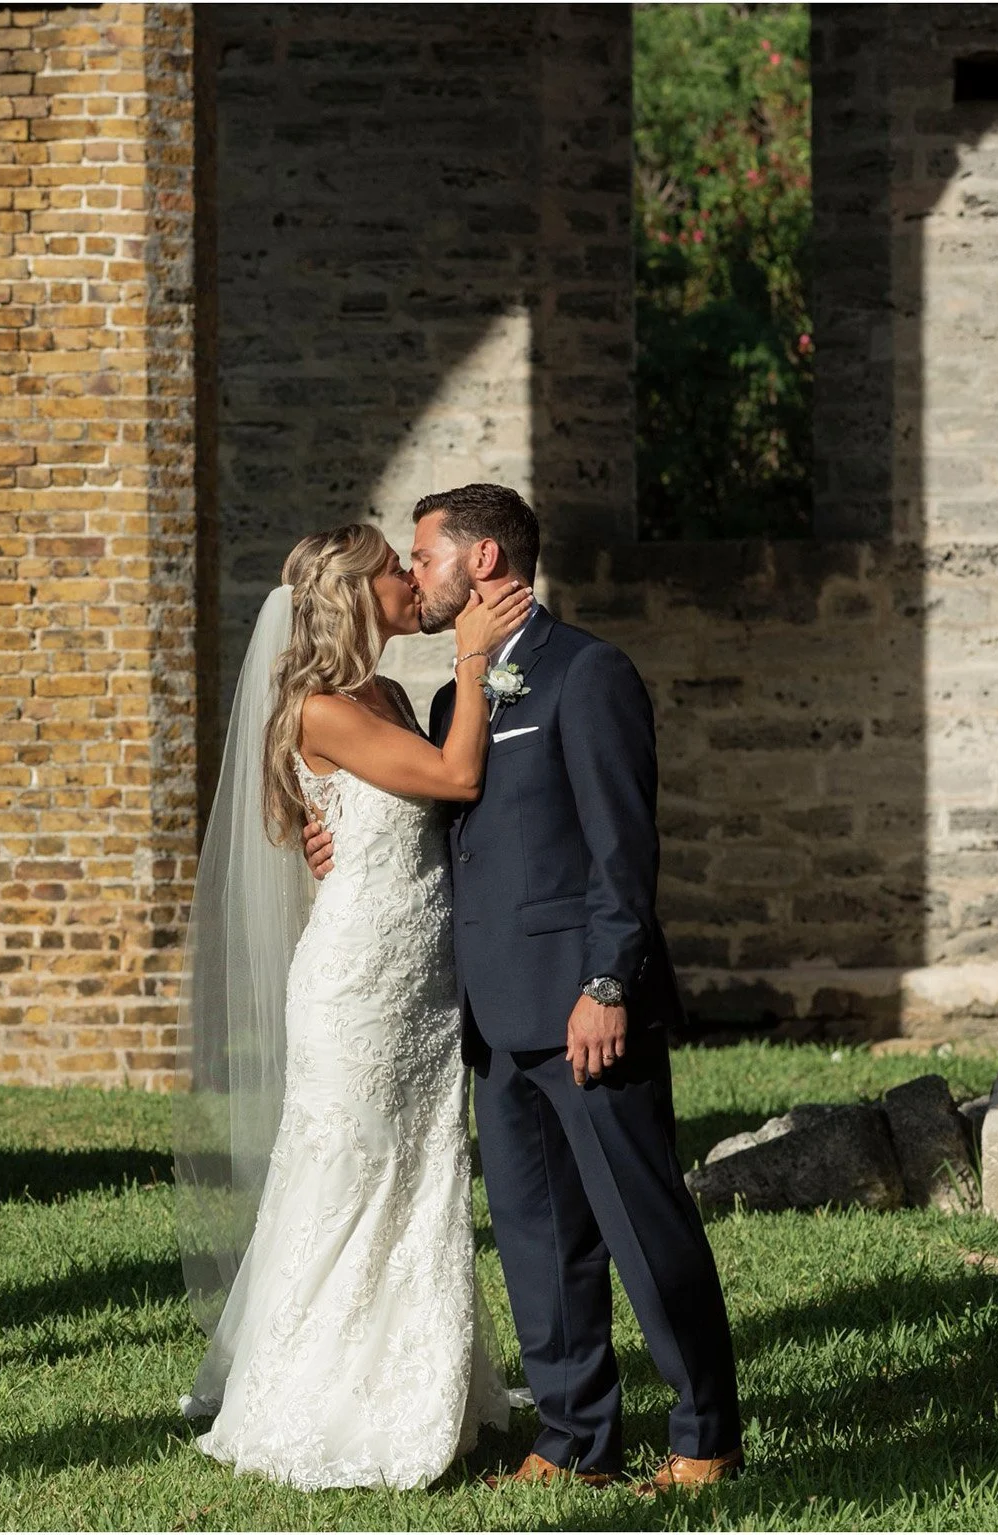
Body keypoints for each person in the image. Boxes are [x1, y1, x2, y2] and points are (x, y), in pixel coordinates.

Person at [304, 485, 743, 1494]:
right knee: (540, 1241)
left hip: (583, 1007)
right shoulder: (449, 701)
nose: (413, 575)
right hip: (489, 1019)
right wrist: (329, 840)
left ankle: (706, 1436)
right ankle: (574, 1436)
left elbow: (622, 852)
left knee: (642, 1224)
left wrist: (607, 981)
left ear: (484, 560)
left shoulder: (586, 673)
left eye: (423, 556)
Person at [175, 521, 530, 1489]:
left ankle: (418, 1381)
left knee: (418, 1172)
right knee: (346, 1176)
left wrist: (326, 832)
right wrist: (473, 654)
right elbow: (456, 775)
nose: (413, 581)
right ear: (353, 596)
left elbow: (406, 819)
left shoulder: (386, 695)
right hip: (357, 986)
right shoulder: (320, 708)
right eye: (394, 571)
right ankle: (310, 1398)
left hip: (422, 982)